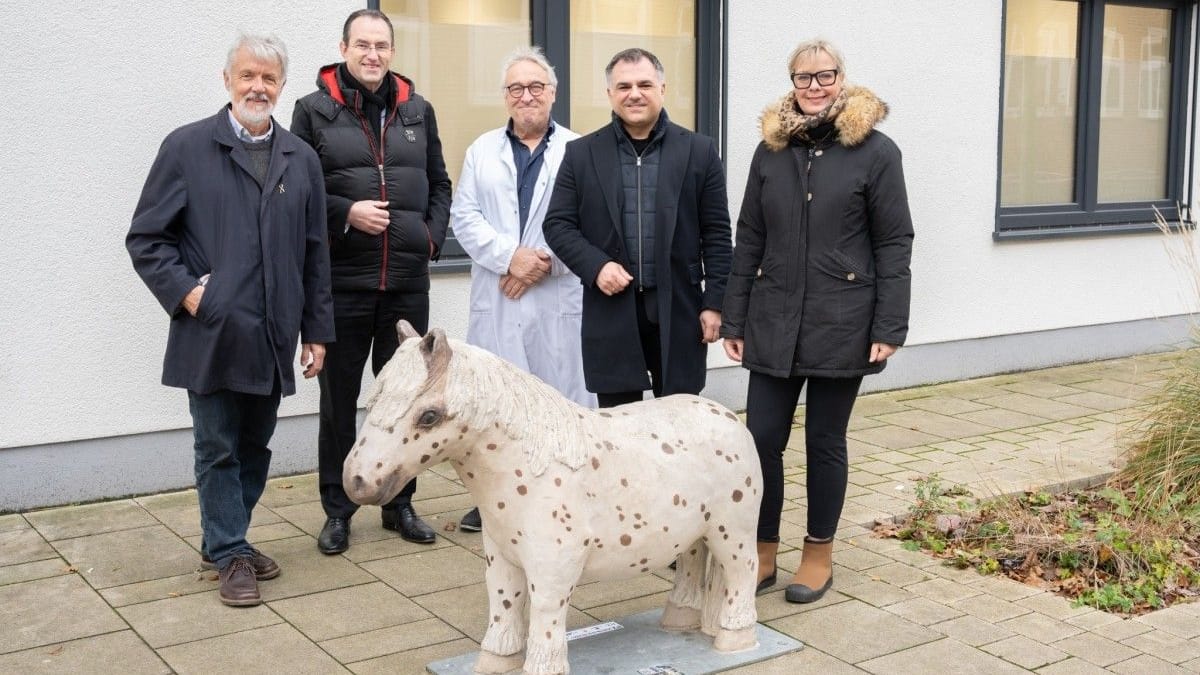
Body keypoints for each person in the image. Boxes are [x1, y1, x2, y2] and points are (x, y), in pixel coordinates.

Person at [127, 33, 334, 607]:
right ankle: (229, 552)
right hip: (212, 330)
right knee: (216, 446)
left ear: (281, 86)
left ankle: (225, 538)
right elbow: (146, 238)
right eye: (247, 76)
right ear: (227, 81)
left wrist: (316, 330)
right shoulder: (187, 148)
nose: (257, 87)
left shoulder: (302, 159)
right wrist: (191, 296)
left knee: (256, 444)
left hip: (273, 333)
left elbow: (316, 254)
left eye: (268, 78)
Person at [721, 39, 914, 604]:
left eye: (824, 76)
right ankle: (761, 551)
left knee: (825, 442)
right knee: (761, 441)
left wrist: (889, 326)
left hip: (842, 320)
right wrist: (735, 318)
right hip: (774, 317)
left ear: (841, 78)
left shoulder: (877, 152)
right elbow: (749, 236)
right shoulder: (771, 151)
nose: (814, 87)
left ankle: (818, 554)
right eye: (803, 78)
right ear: (791, 83)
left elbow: (894, 241)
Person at [291, 9, 452, 554]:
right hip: (343, 283)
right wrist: (346, 212)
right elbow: (300, 192)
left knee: (406, 403)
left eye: (382, 45)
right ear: (343, 47)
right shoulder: (312, 111)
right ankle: (338, 511)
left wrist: (429, 238)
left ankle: (399, 504)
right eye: (362, 45)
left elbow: (440, 184)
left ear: (392, 51)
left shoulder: (417, 109)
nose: (372, 55)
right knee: (339, 403)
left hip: (406, 284)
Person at [450, 46, 595, 532]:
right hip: (499, 296)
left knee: (561, 401)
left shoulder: (579, 150)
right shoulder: (481, 150)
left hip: (557, 298)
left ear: (553, 94)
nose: (526, 95)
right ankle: (492, 499)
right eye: (516, 88)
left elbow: (589, 224)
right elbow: (464, 218)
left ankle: (566, 495)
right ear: (505, 97)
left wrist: (539, 264)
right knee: (496, 403)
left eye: (536, 87)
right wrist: (508, 258)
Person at [543, 48, 732, 408]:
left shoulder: (700, 151)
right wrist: (596, 266)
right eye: (624, 85)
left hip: (680, 310)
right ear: (610, 94)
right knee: (618, 428)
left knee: (680, 425)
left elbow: (718, 236)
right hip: (611, 312)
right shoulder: (581, 154)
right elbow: (557, 225)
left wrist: (715, 303)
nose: (635, 93)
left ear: (663, 88)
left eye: (645, 84)